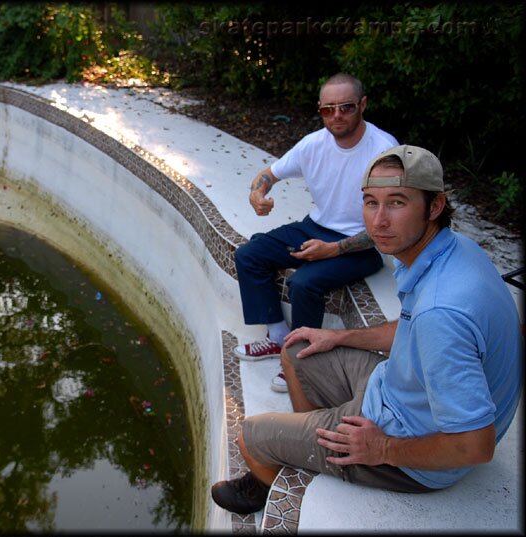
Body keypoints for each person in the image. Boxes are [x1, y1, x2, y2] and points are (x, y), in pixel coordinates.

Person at [211, 145, 523, 515]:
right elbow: (411, 332)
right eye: (370, 202)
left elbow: (475, 444)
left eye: (396, 202)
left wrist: (382, 448)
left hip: (410, 449)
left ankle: (299, 466)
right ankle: (320, 442)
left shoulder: (441, 312)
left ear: (435, 206)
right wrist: (340, 336)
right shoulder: (452, 251)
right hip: (397, 390)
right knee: (297, 349)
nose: (378, 221)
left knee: (250, 437)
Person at [234, 73, 397, 393]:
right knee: (249, 254)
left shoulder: (383, 151)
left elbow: (385, 226)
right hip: (316, 225)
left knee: (304, 283)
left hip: (365, 243)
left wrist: (332, 250)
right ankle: (279, 337)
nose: (337, 116)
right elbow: (268, 174)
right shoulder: (314, 144)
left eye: (346, 107)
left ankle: (299, 361)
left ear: (362, 105)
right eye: (328, 109)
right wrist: (257, 193)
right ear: (320, 109)